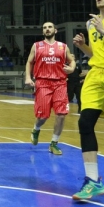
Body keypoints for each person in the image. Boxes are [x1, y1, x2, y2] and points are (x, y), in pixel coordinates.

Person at [71, 0, 104, 201]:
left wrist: (103, 30)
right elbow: (97, 50)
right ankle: (92, 181)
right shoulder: (91, 23)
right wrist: (82, 47)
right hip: (96, 73)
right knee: (85, 123)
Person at [24, 22, 75, 155]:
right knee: (43, 116)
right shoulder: (37, 46)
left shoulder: (63, 47)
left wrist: (72, 68)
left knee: (61, 115)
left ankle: (54, 143)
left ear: (55, 30)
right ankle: (36, 129)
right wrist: (28, 78)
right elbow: (29, 62)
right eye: (45, 28)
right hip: (42, 83)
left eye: (50, 27)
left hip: (60, 83)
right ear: (43, 32)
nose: (47, 29)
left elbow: (72, 60)